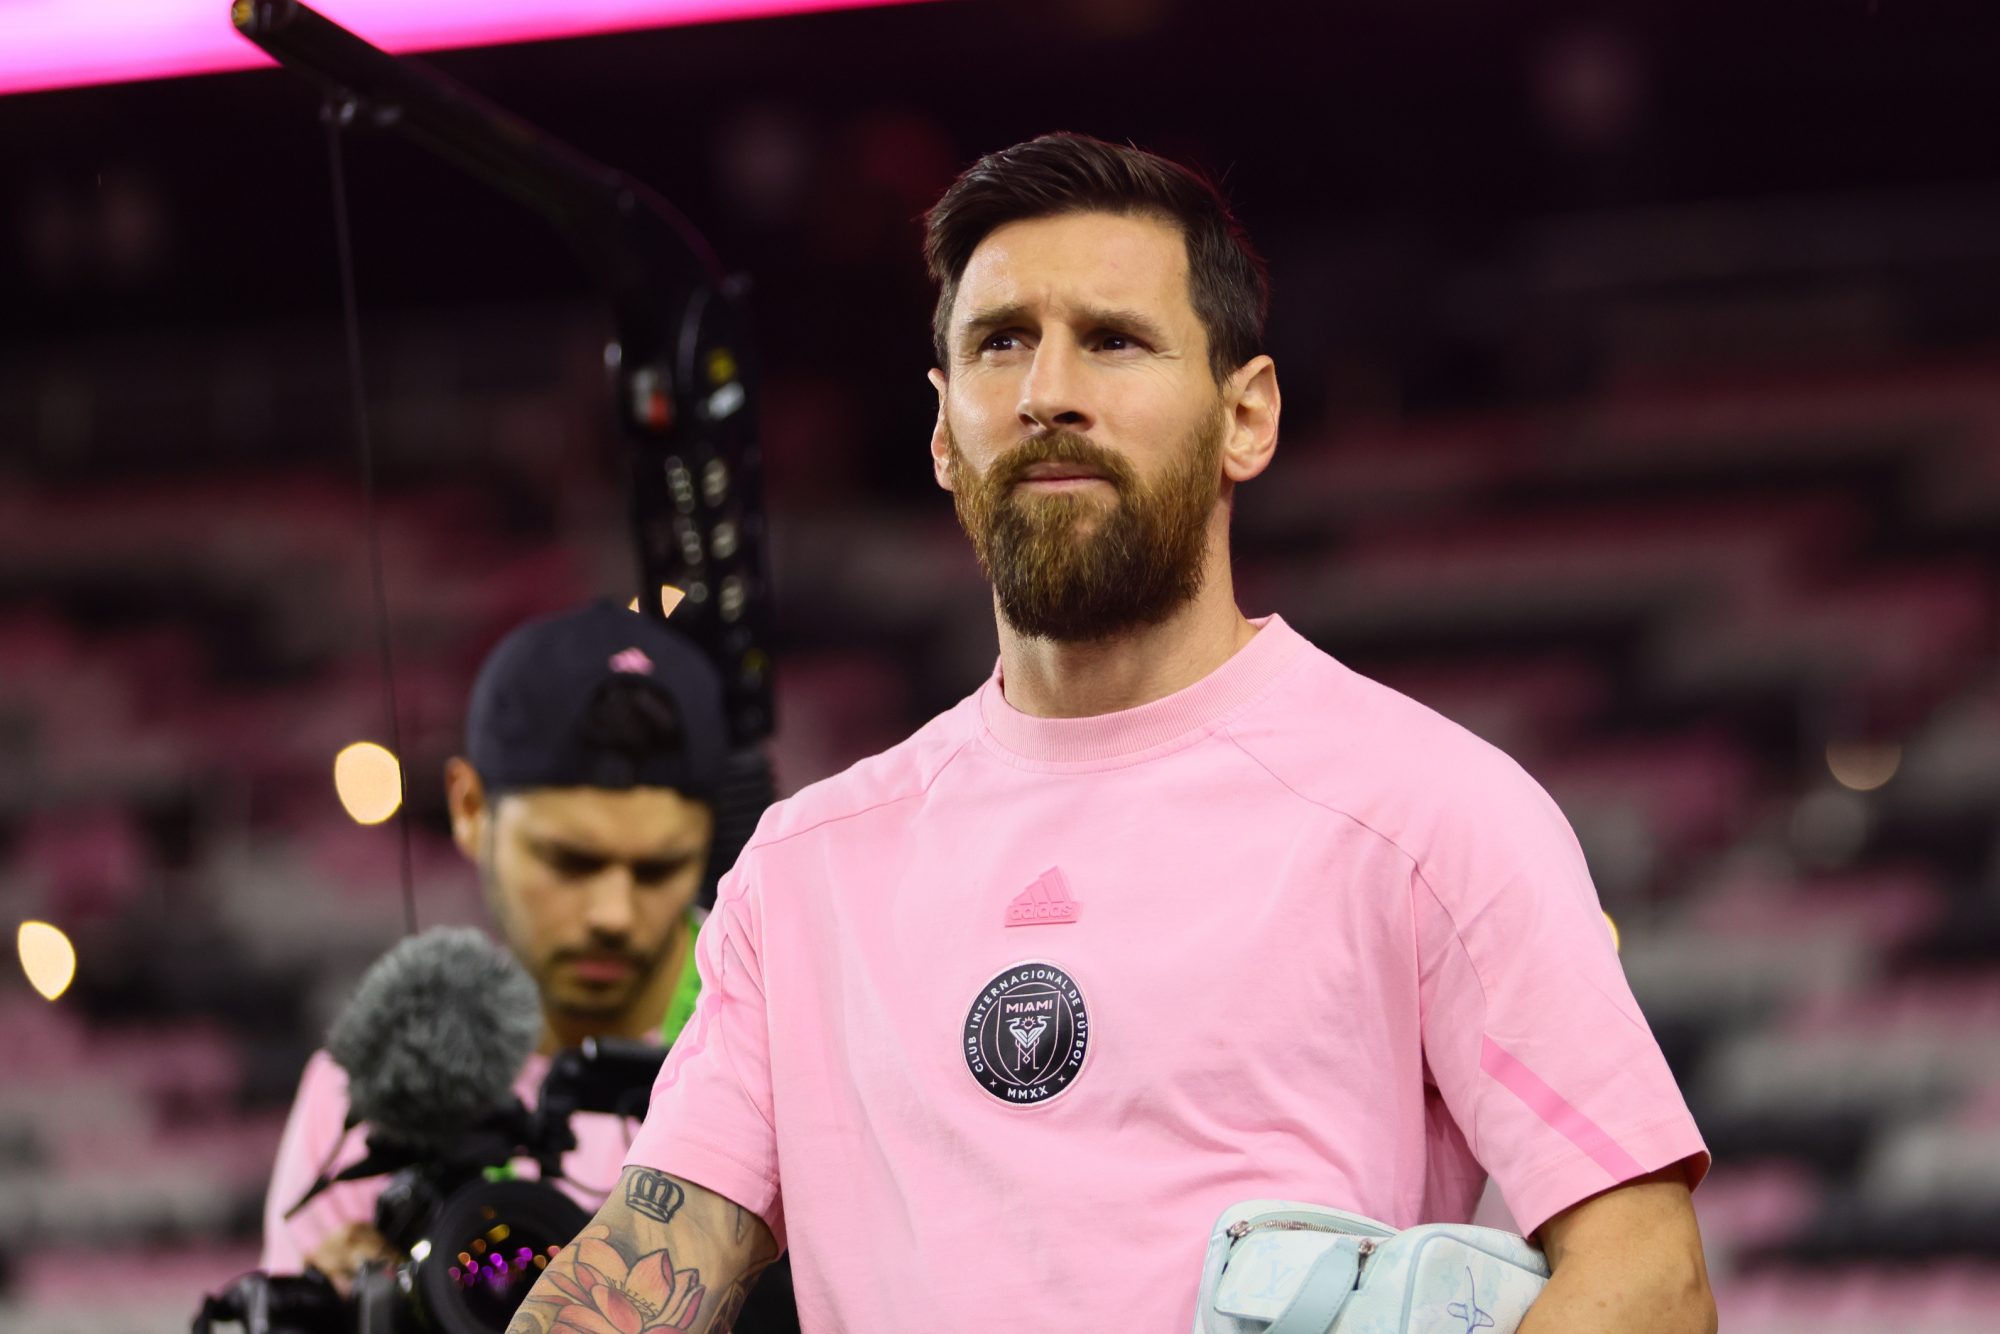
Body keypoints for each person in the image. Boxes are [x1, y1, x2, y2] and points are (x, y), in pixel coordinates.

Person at [505, 134, 1717, 1334]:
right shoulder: (800, 867)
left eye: (1114, 339)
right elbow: (634, 1286)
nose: (1047, 391)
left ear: (1246, 415)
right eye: (999, 343)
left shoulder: (1430, 810)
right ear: (941, 429)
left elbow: (1648, 1282)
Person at [261, 601, 794, 1330]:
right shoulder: (372, 1083)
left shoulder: (790, 1025)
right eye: (569, 861)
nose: (613, 911)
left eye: (658, 867)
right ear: (470, 805)